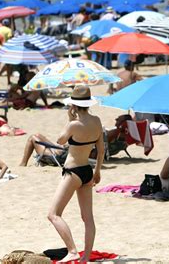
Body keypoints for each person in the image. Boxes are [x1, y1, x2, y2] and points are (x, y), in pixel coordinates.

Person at [48, 86, 104, 262]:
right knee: (88, 218)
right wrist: (97, 172)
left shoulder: (73, 124)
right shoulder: (96, 121)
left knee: (53, 214)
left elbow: (60, 141)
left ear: (73, 105)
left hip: (72, 172)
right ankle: (85, 257)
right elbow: (101, 151)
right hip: (88, 170)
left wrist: (69, 120)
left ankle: (72, 250)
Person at [19, 114, 132, 166]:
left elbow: (61, 141)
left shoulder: (114, 132)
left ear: (123, 124)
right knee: (38, 134)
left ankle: (23, 164)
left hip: (62, 155)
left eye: (120, 118)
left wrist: (71, 121)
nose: (116, 118)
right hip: (71, 152)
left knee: (33, 138)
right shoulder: (122, 140)